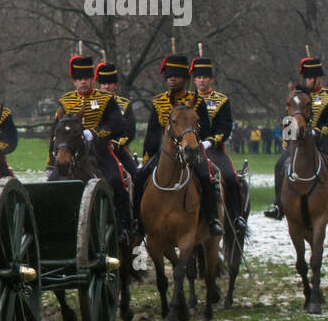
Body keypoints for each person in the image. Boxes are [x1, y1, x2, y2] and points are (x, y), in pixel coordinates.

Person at [132, 53, 220, 237]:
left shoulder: (197, 101)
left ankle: (211, 219)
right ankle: (138, 221)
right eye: (169, 76)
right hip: (164, 151)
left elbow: (204, 128)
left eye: (177, 76)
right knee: (140, 177)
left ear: (184, 79)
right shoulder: (158, 101)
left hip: (191, 150)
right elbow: (152, 131)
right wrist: (151, 153)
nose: (172, 80)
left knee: (205, 176)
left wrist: (192, 141)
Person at [49, 55, 131, 245]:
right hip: (70, 153)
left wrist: (94, 133)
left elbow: (117, 124)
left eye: (86, 78)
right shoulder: (65, 101)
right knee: (51, 183)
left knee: (116, 180)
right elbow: (56, 133)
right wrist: (50, 162)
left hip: (100, 151)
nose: (82, 82)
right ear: (74, 81)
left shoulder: (105, 99)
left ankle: (124, 226)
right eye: (78, 79)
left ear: (92, 78)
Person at [264, 56, 328, 219]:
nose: (310, 81)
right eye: (307, 78)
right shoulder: (297, 97)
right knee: (279, 165)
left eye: (313, 77)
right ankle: (278, 205)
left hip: (323, 140)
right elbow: (288, 119)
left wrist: (317, 132)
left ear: (320, 78)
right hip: (299, 142)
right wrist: (288, 139)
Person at [190, 54, 246, 234]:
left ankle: (236, 216)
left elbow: (225, 127)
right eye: (198, 77)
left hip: (212, 149)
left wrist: (209, 142)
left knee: (230, 177)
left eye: (204, 77)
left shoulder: (221, 100)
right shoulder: (188, 100)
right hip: (190, 148)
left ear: (211, 79)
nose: (201, 81)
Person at [94, 61, 138, 188]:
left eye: (109, 83)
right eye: (103, 83)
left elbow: (129, 132)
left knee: (136, 176)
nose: (106, 87)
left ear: (115, 85)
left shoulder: (124, 104)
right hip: (96, 149)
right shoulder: (93, 103)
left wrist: (114, 144)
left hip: (117, 150)